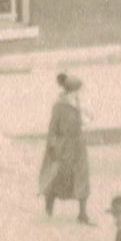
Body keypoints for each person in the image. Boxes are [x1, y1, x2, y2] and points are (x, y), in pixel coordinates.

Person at [40, 74, 92, 223]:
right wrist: (52, 146)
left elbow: (87, 119)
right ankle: (48, 209)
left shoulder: (79, 103)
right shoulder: (59, 106)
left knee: (82, 176)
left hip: (79, 145)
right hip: (64, 147)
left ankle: (82, 213)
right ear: (71, 91)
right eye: (78, 90)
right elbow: (52, 128)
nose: (80, 93)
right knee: (57, 177)